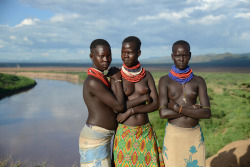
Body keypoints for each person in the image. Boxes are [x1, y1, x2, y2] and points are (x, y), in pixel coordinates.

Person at [112, 36, 164, 167]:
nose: (125, 56)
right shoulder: (117, 76)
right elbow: (116, 107)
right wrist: (141, 99)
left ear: (139, 53)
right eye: (123, 52)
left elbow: (156, 104)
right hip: (125, 132)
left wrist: (130, 111)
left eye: (129, 52)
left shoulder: (147, 76)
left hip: (145, 132)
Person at [158, 40, 211, 166]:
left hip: (194, 135)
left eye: (185, 55)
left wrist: (177, 108)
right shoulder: (165, 81)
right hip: (174, 135)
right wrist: (193, 109)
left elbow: (207, 112)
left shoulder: (198, 81)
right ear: (172, 56)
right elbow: (163, 113)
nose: (181, 59)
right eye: (177, 55)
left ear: (190, 55)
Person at [79, 39, 125, 167]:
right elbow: (119, 106)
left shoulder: (100, 78)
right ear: (92, 57)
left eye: (108, 56)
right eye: (102, 56)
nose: (106, 59)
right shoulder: (93, 82)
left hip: (100, 138)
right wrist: (117, 80)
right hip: (95, 139)